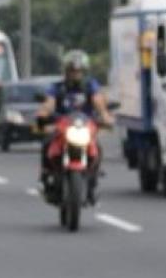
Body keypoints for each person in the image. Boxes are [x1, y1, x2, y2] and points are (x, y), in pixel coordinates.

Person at [36, 49, 112, 193]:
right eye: (72, 71)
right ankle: (46, 174)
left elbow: (98, 100)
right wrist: (43, 113)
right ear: (66, 71)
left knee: (97, 146)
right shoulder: (57, 87)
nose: (75, 74)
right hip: (63, 124)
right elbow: (49, 103)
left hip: (86, 124)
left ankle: (94, 176)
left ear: (84, 71)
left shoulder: (91, 86)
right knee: (47, 143)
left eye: (78, 71)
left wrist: (104, 115)